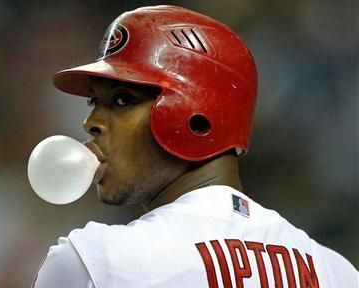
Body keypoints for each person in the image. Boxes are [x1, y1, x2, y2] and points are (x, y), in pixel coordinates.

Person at [32, 5, 358, 288]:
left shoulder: (96, 262)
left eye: (122, 100)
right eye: (94, 101)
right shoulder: (336, 272)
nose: (90, 122)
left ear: (197, 118)